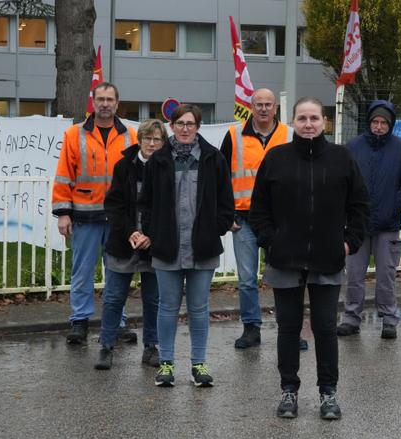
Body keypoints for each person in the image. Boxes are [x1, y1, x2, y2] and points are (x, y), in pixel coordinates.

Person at [249, 97, 369, 420]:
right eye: (302, 118)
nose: (308, 123)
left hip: (328, 259)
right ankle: (289, 390)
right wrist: (270, 241)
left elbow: (359, 207)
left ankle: (328, 394)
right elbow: (258, 209)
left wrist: (348, 244)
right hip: (285, 259)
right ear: (293, 121)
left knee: (326, 328)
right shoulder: (276, 159)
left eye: (314, 117)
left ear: (324, 122)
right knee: (288, 328)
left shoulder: (342, 158)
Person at [138, 104, 234, 388]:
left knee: (199, 308)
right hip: (167, 247)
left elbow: (226, 202)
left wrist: (214, 229)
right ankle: (166, 364)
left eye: (190, 123)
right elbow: (146, 204)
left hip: (202, 247)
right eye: (179, 123)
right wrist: (154, 233)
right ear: (172, 125)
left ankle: (198, 364)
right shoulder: (158, 160)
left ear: (198, 127)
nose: (184, 128)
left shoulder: (213, 158)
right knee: (166, 307)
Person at [220, 88, 307, 351]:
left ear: (275, 108)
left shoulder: (291, 135)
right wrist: (226, 215)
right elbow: (220, 177)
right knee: (247, 279)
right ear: (251, 105)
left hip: (282, 220)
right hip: (244, 218)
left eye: (269, 104)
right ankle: (251, 329)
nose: (264, 109)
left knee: (288, 277)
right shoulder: (234, 135)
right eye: (259, 104)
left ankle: (290, 330)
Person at [53, 82, 138, 345]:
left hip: (118, 219)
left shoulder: (130, 135)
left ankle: (118, 321)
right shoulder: (74, 134)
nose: (104, 104)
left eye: (109, 99)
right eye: (100, 99)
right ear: (93, 101)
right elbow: (64, 174)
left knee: (119, 271)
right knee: (82, 271)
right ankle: (79, 321)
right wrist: (63, 213)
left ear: (117, 102)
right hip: (84, 216)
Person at [337, 100, 401, 339]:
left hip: (388, 225)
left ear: (390, 125)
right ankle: (351, 318)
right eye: (375, 122)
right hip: (357, 226)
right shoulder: (352, 147)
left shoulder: (400, 148)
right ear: (369, 122)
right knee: (354, 275)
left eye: (383, 123)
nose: (379, 126)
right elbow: (343, 183)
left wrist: (394, 207)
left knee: (386, 276)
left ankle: (389, 320)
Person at [94, 119, 165, 370]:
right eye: (148, 138)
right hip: (123, 243)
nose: (152, 143)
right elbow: (114, 206)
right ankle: (106, 346)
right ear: (140, 140)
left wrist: (152, 236)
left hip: (154, 247)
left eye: (157, 139)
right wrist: (131, 233)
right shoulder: (124, 166)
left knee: (154, 299)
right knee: (114, 298)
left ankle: (152, 346)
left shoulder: (168, 168)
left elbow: (170, 211)